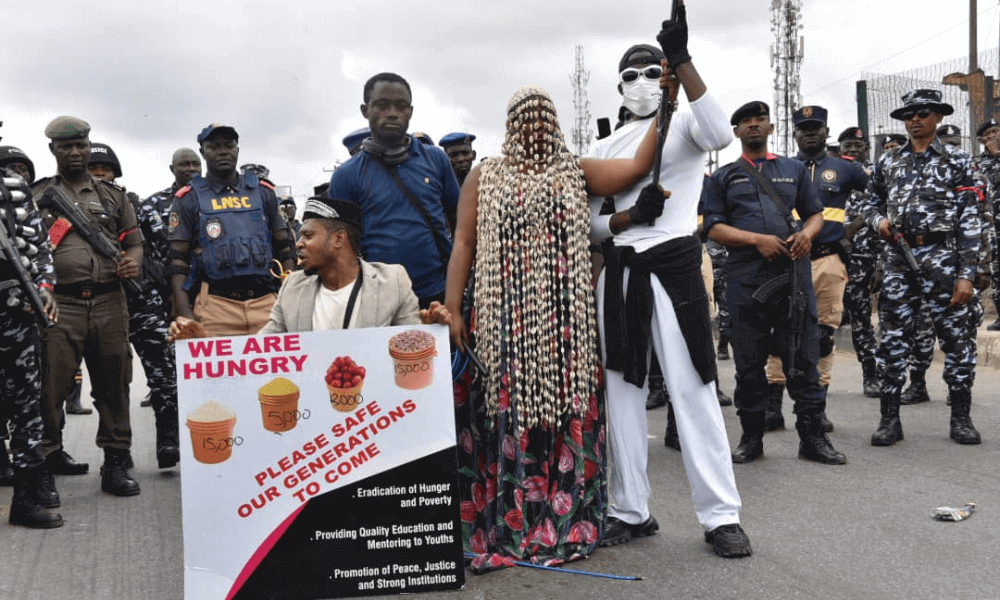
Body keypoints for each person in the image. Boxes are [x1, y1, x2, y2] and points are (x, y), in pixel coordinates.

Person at [443, 63, 672, 570]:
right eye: (523, 119)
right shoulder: (485, 175)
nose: (533, 127)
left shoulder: (575, 171)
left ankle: (564, 519)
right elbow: (463, 242)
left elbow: (638, 166)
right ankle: (512, 521)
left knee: (564, 411)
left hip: (565, 323)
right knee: (506, 414)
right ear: (510, 126)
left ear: (555, 123)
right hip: (502, 321)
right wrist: (454, 309)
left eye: (542, 118)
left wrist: (668, 103)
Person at [589, 23, 751, 556]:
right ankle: (629, 508)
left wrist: (683, 59)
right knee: (622, 394)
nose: (640, 80)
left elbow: (721, 134)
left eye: (651, 70)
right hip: (620, 272)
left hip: (675, 264)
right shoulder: (602, 146)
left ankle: (720, 515)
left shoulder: (682, 122)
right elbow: (589, 223)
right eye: (630, 74)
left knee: (693, 388)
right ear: (619, 86)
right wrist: (629, 216)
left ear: (665, 78)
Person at [702, 100, 847, 467]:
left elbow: (815, 214)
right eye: (746, 121)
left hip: (791, 278)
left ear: (770, 128)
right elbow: (713, 228)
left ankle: (812, 438)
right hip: (745, 280)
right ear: (736, 132)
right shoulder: (723, 177)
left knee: (803, 358)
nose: (753, 125)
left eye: (760, 119)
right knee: (749, 363)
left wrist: (807, 236)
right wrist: (756, 241)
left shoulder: (793, 169)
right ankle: (751, 438)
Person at [859, 89, 982, 446]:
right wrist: (879, 222)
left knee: (957, 340)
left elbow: (971, 219)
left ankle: (961, 418)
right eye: (909, 114)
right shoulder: (889, 161)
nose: (914, 119)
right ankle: (889, 420)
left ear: (938, 117)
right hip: (899, 261)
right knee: (893, 340)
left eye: (923, 113)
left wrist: (966, 275)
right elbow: (868, 203)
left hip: (944, 260)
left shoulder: (958, 160)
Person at [32, 116, 144, 496]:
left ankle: (115, 461)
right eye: (67, 146)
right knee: (51, 387)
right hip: (59, 303)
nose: (75, 152)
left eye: (81, 145)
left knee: (115, 384)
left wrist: (133, 263)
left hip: (109, 300)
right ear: (53, 149)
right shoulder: (37, 195)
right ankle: (46, 459)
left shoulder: (113, 196)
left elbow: (134, 242)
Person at [169, 195, 450, 339]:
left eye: (308, 236)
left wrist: (428, 331)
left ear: (338, 239)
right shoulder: (293, 286)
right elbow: (262, 351)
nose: (298, 244)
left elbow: (410, 347)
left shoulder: (392, 281)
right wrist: (205, 342)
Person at [763, 106, 870, 432]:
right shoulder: (779, 168)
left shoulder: (845, 168)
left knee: (823, 336)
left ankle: (816, 409)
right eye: (803, 128)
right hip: (785, 261)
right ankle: (772, 406)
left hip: (827, 259)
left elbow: (879, 194)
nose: (810, 133)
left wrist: (854, 228)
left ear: (826, 131)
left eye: (816, 127)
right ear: (794, 133)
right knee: (778, 334)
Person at [327, 73, 461, 308]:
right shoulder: (346, 175)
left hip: (438, 294)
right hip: (377, 302)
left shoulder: (436, 160)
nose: (392, 113)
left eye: (401, 106)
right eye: (382, 105)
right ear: (365, 110)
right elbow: (341, 247)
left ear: (410, 111)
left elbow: (460, 222)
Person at [88, 143, 180, 470]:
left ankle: (169, 440)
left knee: (165, 375)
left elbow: (166, 249)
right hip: (102, 303)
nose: (100, 174)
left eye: (106, 169)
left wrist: (169, 292)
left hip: (144, 302)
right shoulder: (68, 207)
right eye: (93, 169)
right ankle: (118, 451)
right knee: (111, 382)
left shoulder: (134, 207)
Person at [168, 123, 297, 337]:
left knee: (279, 361)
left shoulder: (263, 192)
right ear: (203, 152)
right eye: (214, 147)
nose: (222, 152)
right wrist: (185, 315)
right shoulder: (188, 198)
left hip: (267, 305)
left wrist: (289, 299)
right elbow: (177, 262)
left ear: (237, 149)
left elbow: (285, 248)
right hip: (215, 308)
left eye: (228, 145)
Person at [0, 146, 62, 527]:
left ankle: (26, 497)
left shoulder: (15, 187)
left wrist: (44, 287)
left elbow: (40, 246)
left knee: (27, 408)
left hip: (16, 314)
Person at [838, 126, 883, 397]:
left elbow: (884, 224)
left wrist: (879, 265)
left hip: (864, 261)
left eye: (858, 146)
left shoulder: (876, 179)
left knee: (862, 319)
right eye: (848, 146)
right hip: (831, 259)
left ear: (867, 149)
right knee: (822, 321)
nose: (853, 150)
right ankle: (817, 379)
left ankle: (870, 375)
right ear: (840, 150)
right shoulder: (829, 175)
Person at [973, 119, 1000, 331]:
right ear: (982, 140)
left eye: (996, 131)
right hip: (991, 226)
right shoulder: (977, 164)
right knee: (996, 271)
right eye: (988, 134)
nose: (993, 136)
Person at [148, 148, 202, 225]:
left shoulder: (215, 198)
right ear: (172, 169)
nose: (192, 169)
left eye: (196, 165)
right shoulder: (154, 203)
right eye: (184, 165)